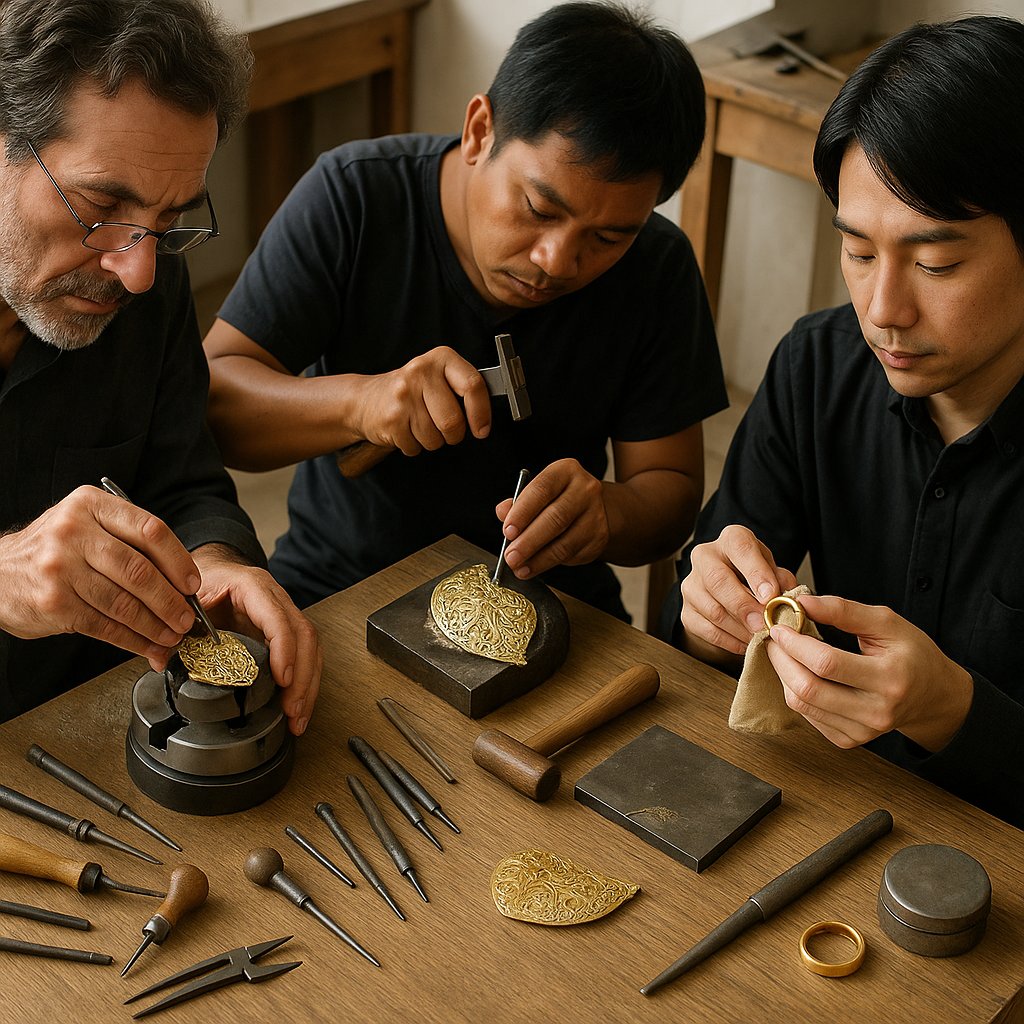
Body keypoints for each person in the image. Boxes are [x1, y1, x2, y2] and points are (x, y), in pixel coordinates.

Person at [203, 1, 726, 622]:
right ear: (480, 130)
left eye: (607, 238)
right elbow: (215, 403)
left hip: (549, 601)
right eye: (538, 207)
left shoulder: (657, 267)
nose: (557, 261)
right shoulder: (355, 198)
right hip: (345, 586)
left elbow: (669, 494)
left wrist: (608, 514)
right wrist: (359, 403)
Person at [671, 16, 1024, 828]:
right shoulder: (819, 367)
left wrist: (954, 712)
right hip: (829, 817)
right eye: (859, 253)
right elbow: (693, 638)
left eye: (936, 263)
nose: (883, 310)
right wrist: (707, 616)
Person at [0, 0, 321, 732]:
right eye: (101, 205)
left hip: (99, 723)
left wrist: (215, 565)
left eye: (170, 220)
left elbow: (182, 479)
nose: (139, 270)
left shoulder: (143, 278)